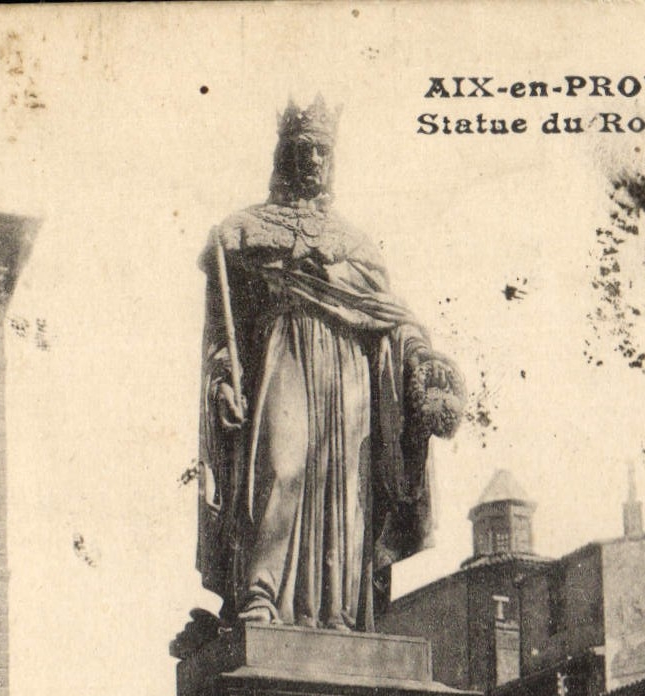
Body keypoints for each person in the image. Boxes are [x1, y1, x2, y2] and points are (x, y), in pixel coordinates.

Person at [197, 95, 464, 632]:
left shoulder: (357, 243)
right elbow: (222, 335)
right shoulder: (242, 232)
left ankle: (338, 610)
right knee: (282, 466)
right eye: (302, 149)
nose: (313, 161)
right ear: (283, 154)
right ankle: (260, 593)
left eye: (321, 151)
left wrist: (422, 364)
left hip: (349, 372)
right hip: (284, 354)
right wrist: (223, 380)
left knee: (345, 490)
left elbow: (391, 317)